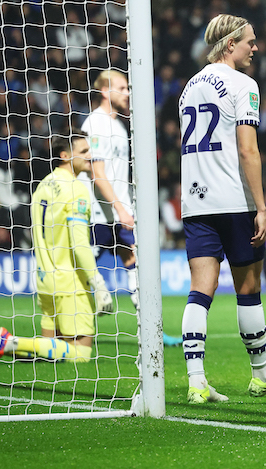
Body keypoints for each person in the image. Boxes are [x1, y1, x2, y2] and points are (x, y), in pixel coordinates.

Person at [180, 14, 266, 404]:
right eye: (249, 41)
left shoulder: (189, 87)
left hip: (195, 201)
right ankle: (261, 375)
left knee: (201, 290)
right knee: (248, 288)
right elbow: (248, 149)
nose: (255, 48)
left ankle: (196, 381)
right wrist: (261, 207)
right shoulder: (244, 84)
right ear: (230, 45)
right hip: (233, 200)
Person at [0, 133, 114, 365]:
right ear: (65, 156)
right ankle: (7, 342)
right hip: (70, 281)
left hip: (44, 279)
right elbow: (80, 244)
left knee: (49, 352)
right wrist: (97, 282)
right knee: (80, 354)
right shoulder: (76, 190)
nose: (90, 155)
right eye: (83, 152)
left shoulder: (43, 186)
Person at [80, 70, 182, 346]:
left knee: (134, 263)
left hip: (118, 210)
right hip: (98, 212)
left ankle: (152, 331)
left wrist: (127, 206)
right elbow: (97, 173)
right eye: (122, 88)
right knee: (81, 269)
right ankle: (69, 328)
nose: (127, 93)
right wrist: (120, 209)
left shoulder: (118, 125)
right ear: (105, 91)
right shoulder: (96, 124)